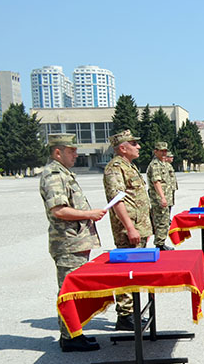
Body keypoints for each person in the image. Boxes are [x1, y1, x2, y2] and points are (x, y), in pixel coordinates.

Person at [39, 134, 106, 352]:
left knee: (75, 290)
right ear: (58, 152)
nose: (76, 154)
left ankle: (75, 333)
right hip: (67, 243)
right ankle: (69, 337)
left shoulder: (64, 173)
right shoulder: (53, 174)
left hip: (75, 241)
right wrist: (89, 214)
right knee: (68, 291)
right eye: (71, 151)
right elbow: (59, 210)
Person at [103, 130, 153, 331]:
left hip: (139, 227)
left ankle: (133, 312)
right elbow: (117, 200)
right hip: (128, 230)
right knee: (127, 271)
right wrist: (130, 228)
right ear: (122, 148)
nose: (138, 146)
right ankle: (125, 315)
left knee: (135, 271)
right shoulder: (115, 168)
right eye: (134, 143)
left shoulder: (129, 166)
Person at [146, 141, 175, 250]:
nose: (164, 153)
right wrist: (162, 197)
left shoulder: (163, 163)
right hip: (159, 199)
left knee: (165, 221)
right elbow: (156, 182)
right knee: (161, 221)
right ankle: (159, 244)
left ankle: (161, 242)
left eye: (165, 151)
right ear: (155, 151)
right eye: (161, 151)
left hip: (166, 197)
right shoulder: (155, 165)